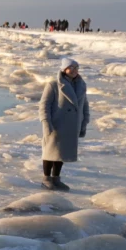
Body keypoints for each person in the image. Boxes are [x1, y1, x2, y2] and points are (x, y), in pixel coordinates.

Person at [39, 58, 89, 191]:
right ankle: (46, 179)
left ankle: (56, 178)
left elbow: (84, 105)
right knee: (50, 152)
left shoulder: (81, 85)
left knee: (61, 153)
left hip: (72, 125)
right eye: (71, 68)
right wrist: (46, 123)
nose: (74, 71)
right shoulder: (53, 85)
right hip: (56, 124)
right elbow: (44, 106)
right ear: (64, 69)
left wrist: (84, 122)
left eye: (76, 68)